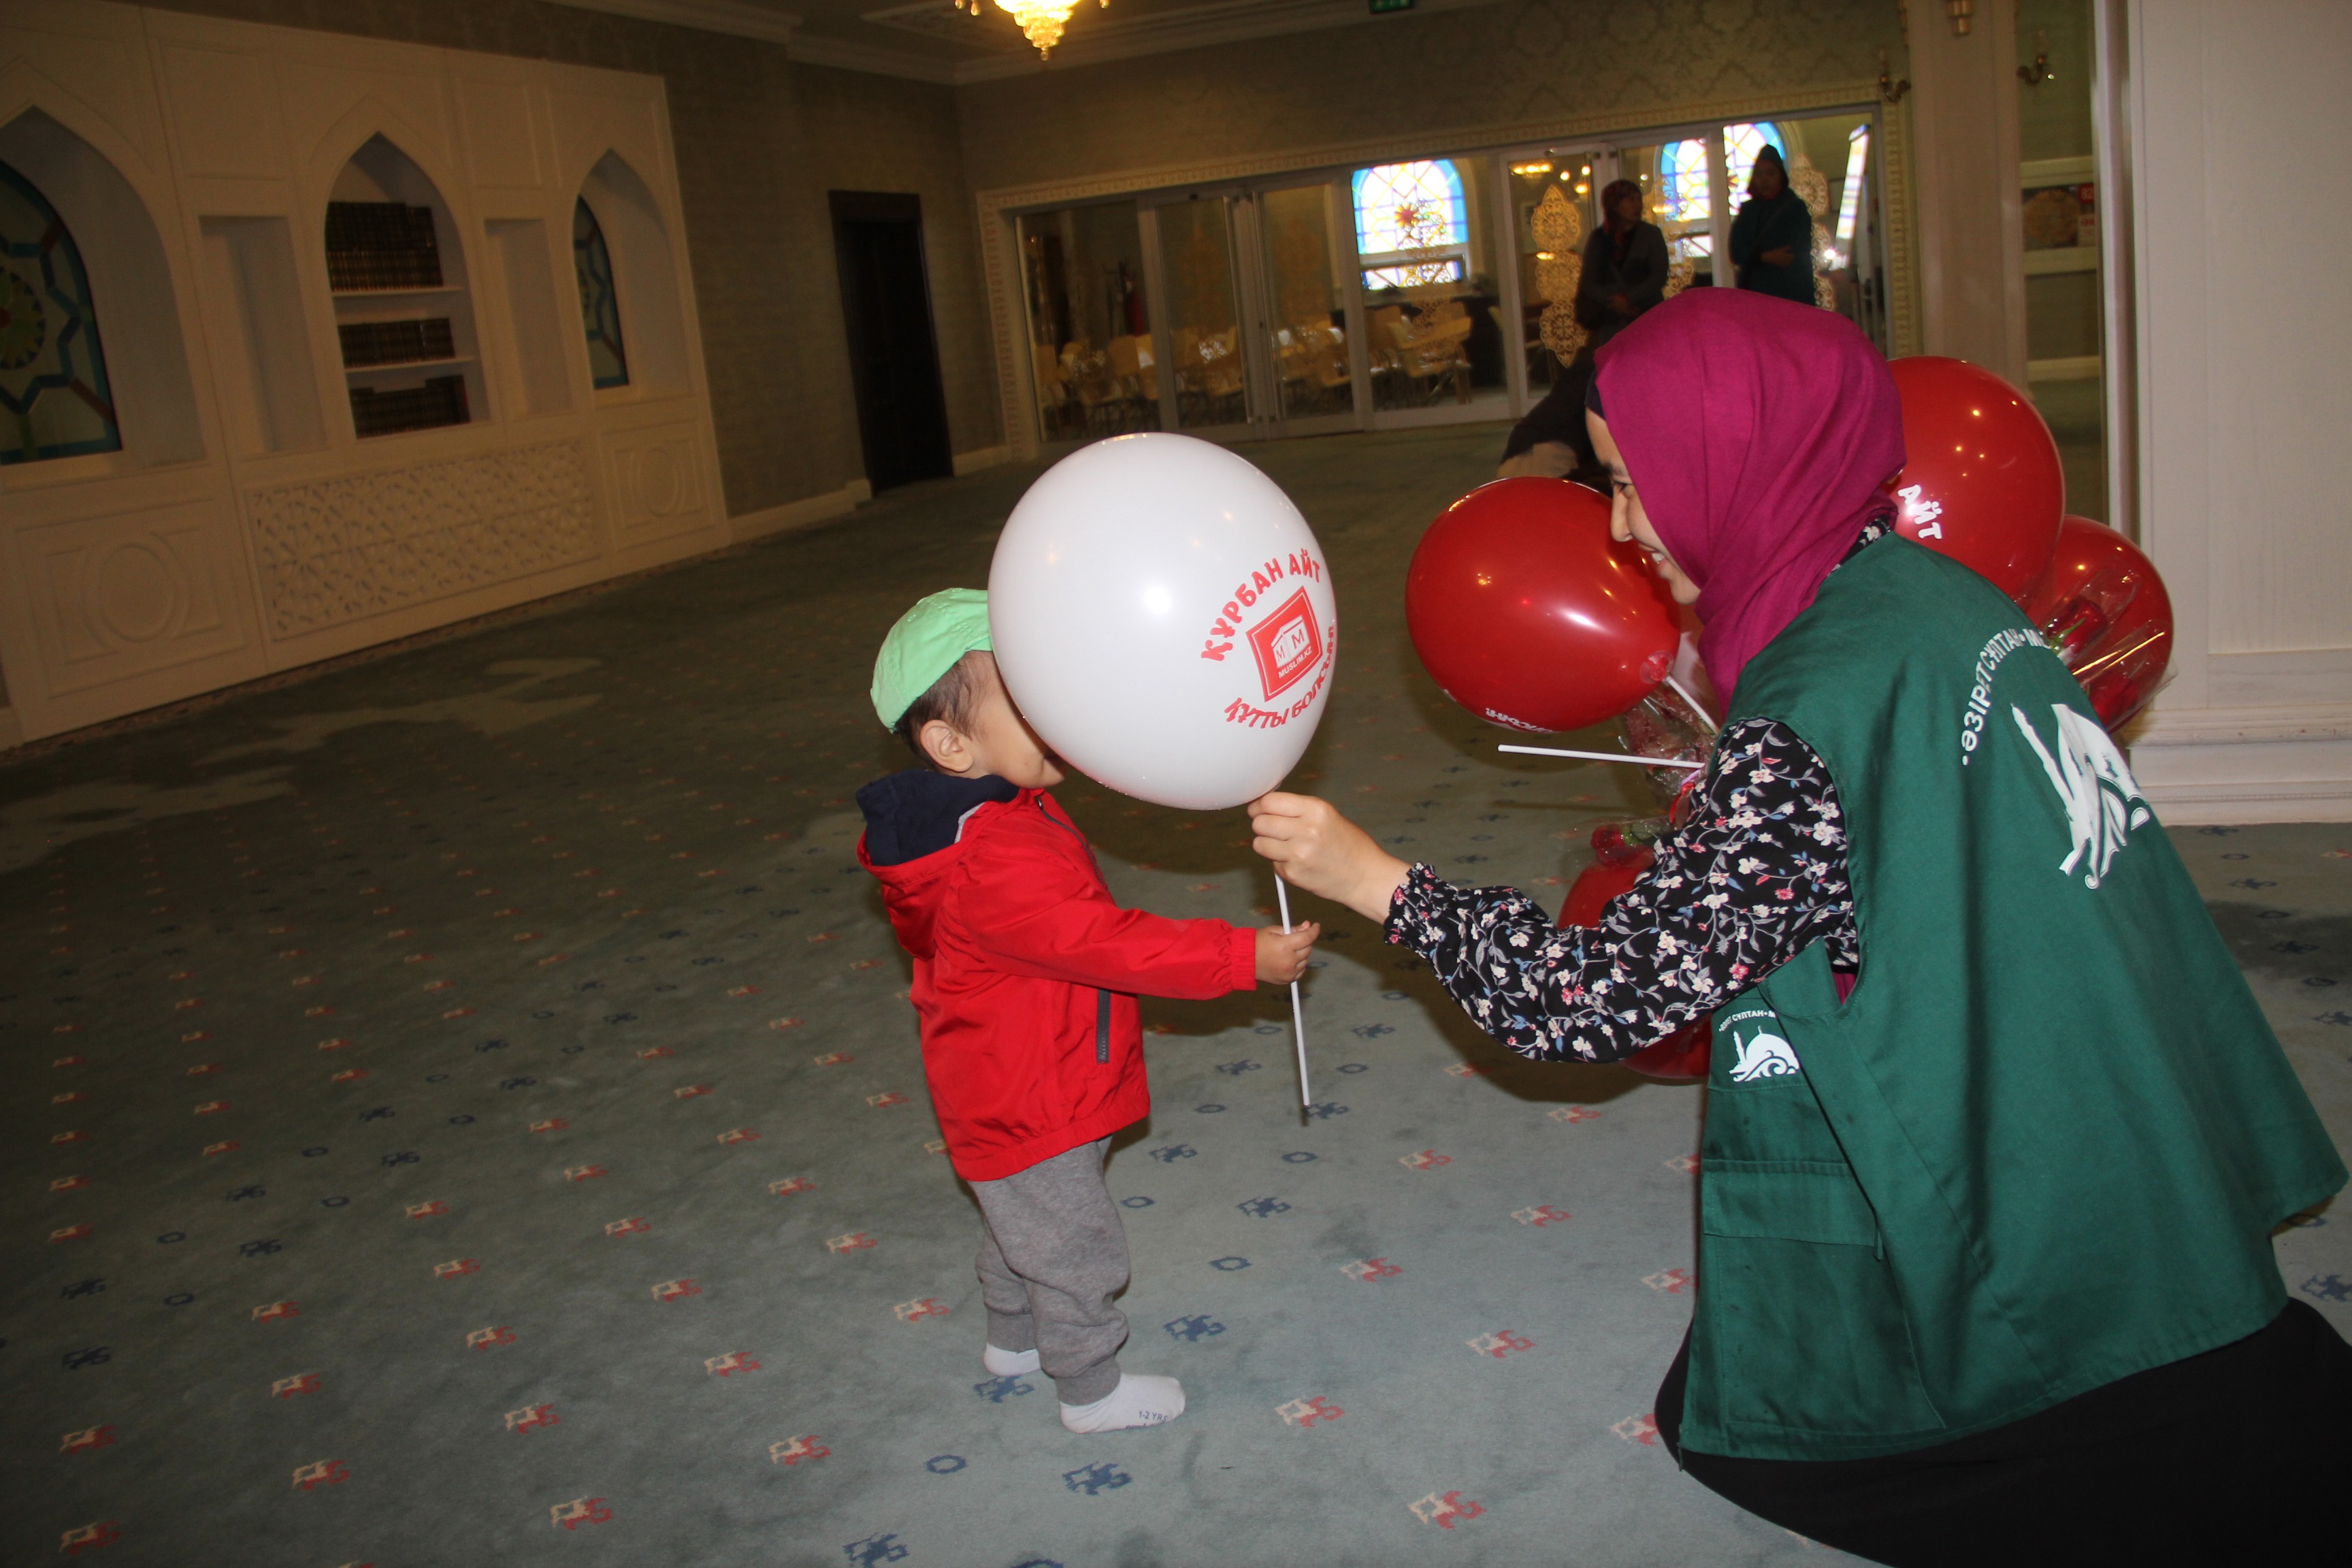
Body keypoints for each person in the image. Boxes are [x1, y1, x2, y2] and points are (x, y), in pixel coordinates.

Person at [1249, 290, 2349, 1563]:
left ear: (1737, 468)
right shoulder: (1931, 591)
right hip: (2123, 1085)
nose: (1620, 526)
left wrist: (1381, 882)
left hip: (2035, 1183)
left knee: (1759, 1428)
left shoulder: (1806, 718)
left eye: (1633, 483)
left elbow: (1592, 1000)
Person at [857, 589, 1318, 1435]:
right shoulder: (992, 859)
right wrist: (1239, 957)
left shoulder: (993, 811)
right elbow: (1108, 943)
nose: (1060, 709)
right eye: (1028, 697)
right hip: (1032, 1093)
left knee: (1023, 1221)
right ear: (951, 744)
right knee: (1072, 1243)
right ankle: (1091, 1389)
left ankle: (1013, 1341)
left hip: (1028, 1071)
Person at [1498, 180, 1668, 480]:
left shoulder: (1650, 235)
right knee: (1601, 377)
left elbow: (1658, 276)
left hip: (1643, 318)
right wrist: (1613, 301)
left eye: (1637, 198)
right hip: (1611, 322)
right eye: (1628, 200)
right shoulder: (1601, 240)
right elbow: (1589, 282)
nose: (1636, 204)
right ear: (1615, 205)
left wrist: (1630, 299)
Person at [1729, 144, 1814, 304]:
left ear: (1780, 176)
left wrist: (1758, 257)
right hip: (1756, 295)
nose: (1764, 180)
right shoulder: (1748, 211)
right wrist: (1765, 257)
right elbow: (1737, 253)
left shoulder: (1795, 209)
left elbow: (1793, 253)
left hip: (1792, 293)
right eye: (1759, 174)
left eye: (1770, 173)